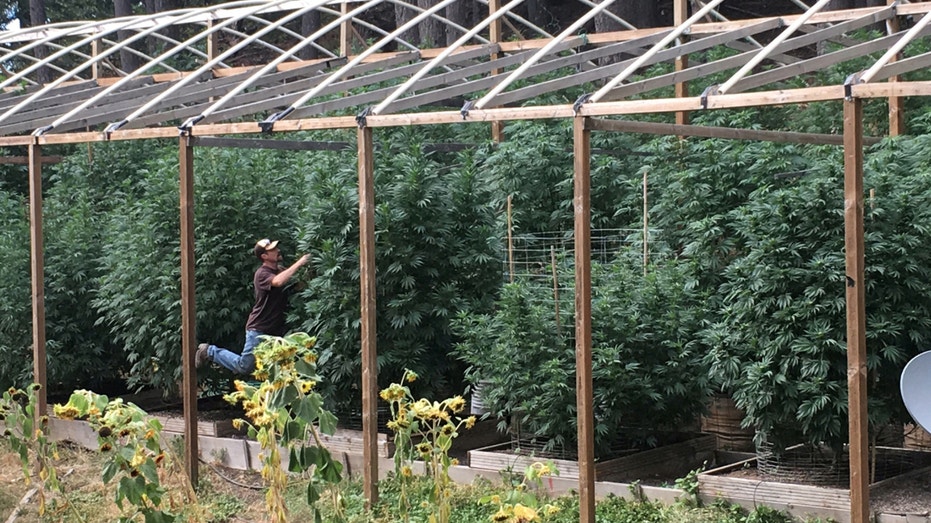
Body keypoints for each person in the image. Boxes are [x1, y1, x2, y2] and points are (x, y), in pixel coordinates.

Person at [196, 238, 309, 375]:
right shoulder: (262, 274)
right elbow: (278, 282)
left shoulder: (280, 270)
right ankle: (209, 351)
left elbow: (295, 285)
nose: (277, 251)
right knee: (245, 366)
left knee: (274, 369)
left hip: (274, 331)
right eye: (272, 250)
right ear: (264, 256)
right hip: (259, 329)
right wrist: (300, 262)